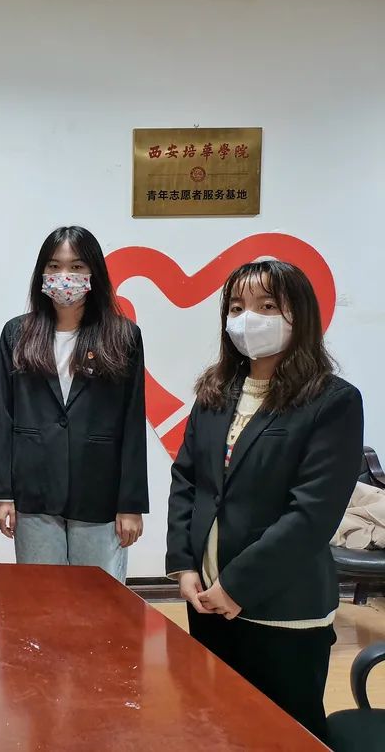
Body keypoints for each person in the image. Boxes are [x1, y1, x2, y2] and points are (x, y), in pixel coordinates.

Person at [166, 260, 362, 741]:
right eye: (236, 308)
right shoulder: (215, 391)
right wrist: (185, 566)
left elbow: (311, 514)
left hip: (281, 607)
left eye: (267, 306)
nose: (248, 318)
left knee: (283, 733)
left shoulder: (332, 401)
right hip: (208, 600)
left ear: (300, 315)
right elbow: (188, 479)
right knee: (216, 724)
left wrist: (236, 586)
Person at [0, 226, 147, 582]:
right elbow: (4, 416)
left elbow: (133, 422)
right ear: (41, 273)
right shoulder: (17, 334)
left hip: (100, 493)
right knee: (42, 596)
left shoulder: (123, 335)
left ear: (94, 273)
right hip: (34, 492)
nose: (64, 276)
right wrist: (2, 494)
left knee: (100, 597)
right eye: (54, 266)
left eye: (76, 267)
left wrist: (131, 504)